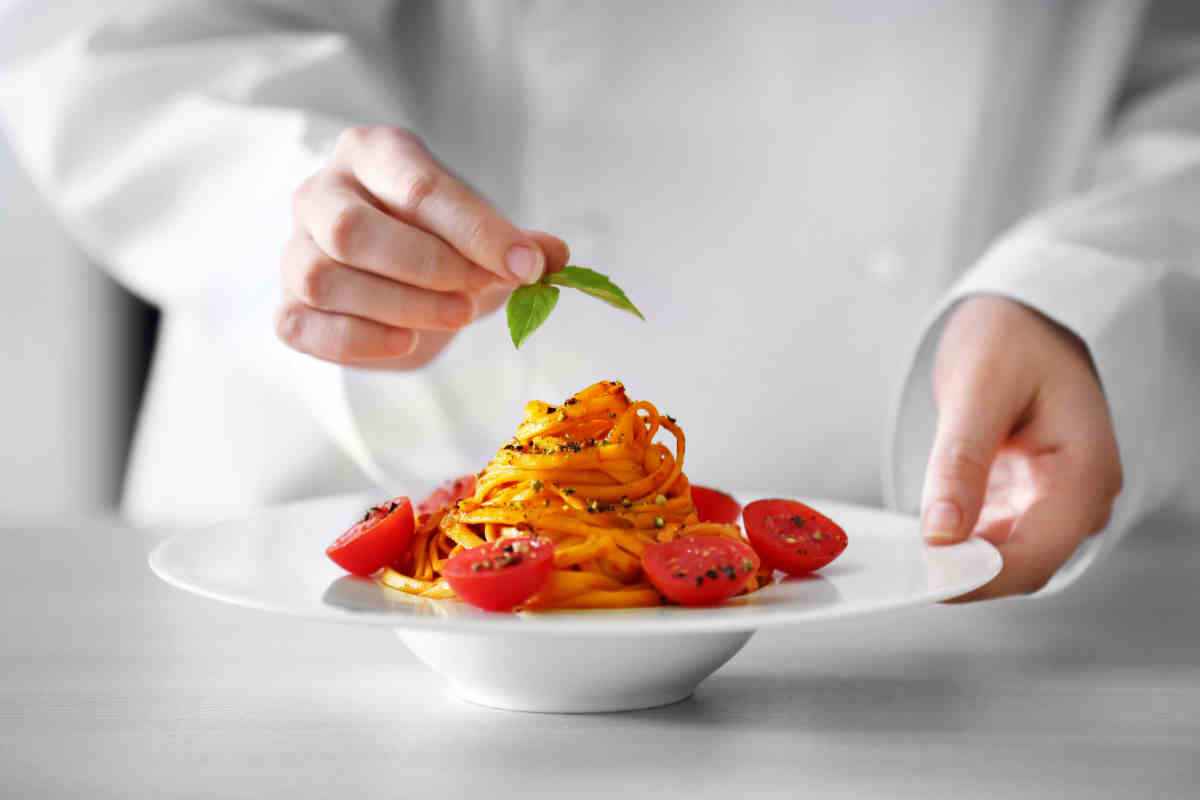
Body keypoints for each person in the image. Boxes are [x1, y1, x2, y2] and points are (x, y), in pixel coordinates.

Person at [2, 1, 1197, 601]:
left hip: (964, 564)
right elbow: (127, 31)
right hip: (338, 518)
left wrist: (1095, 286)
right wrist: (293, 207)